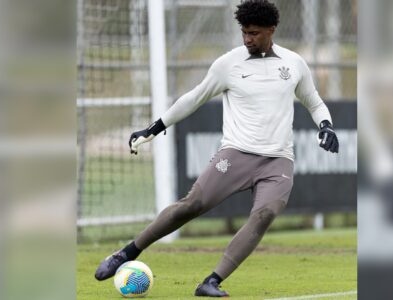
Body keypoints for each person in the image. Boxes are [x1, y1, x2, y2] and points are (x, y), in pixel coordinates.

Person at [95, 0, 339, 297]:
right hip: (236, 154)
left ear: (271, 29)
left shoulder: (294, 63)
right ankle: (127, 253)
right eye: (244, 32)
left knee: (264, 215)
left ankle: (211, 281)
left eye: (254, 33)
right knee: (192, 205)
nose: (247, 39)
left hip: (278, 161)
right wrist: (153, 128)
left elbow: (313, 101)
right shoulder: (228, 64)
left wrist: (325, 126)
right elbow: (193, 98)